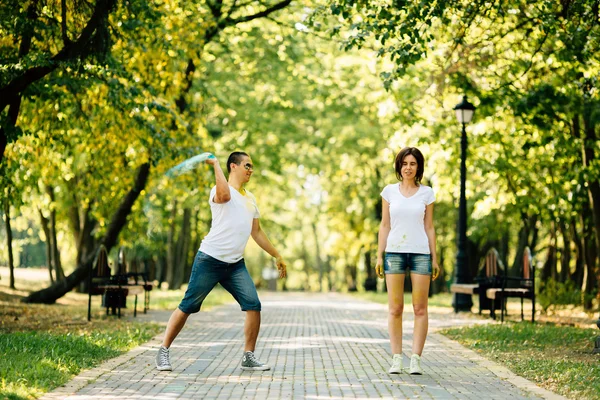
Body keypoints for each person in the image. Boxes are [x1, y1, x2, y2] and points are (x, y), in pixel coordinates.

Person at [156, 151, 287, 372]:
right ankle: (163, 351)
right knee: (188, 305)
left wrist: (277, 255)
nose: (251, 170)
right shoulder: (218, 191)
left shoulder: (251, 198)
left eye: (252, 166)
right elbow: (225, 196)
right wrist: (216, 165)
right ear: (232, 167)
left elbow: (257, 232)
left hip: (235, 265)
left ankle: (248, 356)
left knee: (253, 305)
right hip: (209, 260)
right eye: (247, 165)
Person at [375, 147, 440, 375]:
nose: (408, 168)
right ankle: (396, 358)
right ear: (399, 166)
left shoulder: (427, 193)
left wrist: (435, 257)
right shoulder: (389, 192)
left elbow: (429, 227)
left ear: (418, 167)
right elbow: (384, 225)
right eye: (404, 163)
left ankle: (415, 359)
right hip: (394, 253)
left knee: (420, 308)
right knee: (395, 308)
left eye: (413, 163)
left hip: (421, 253)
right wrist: (379, 255)